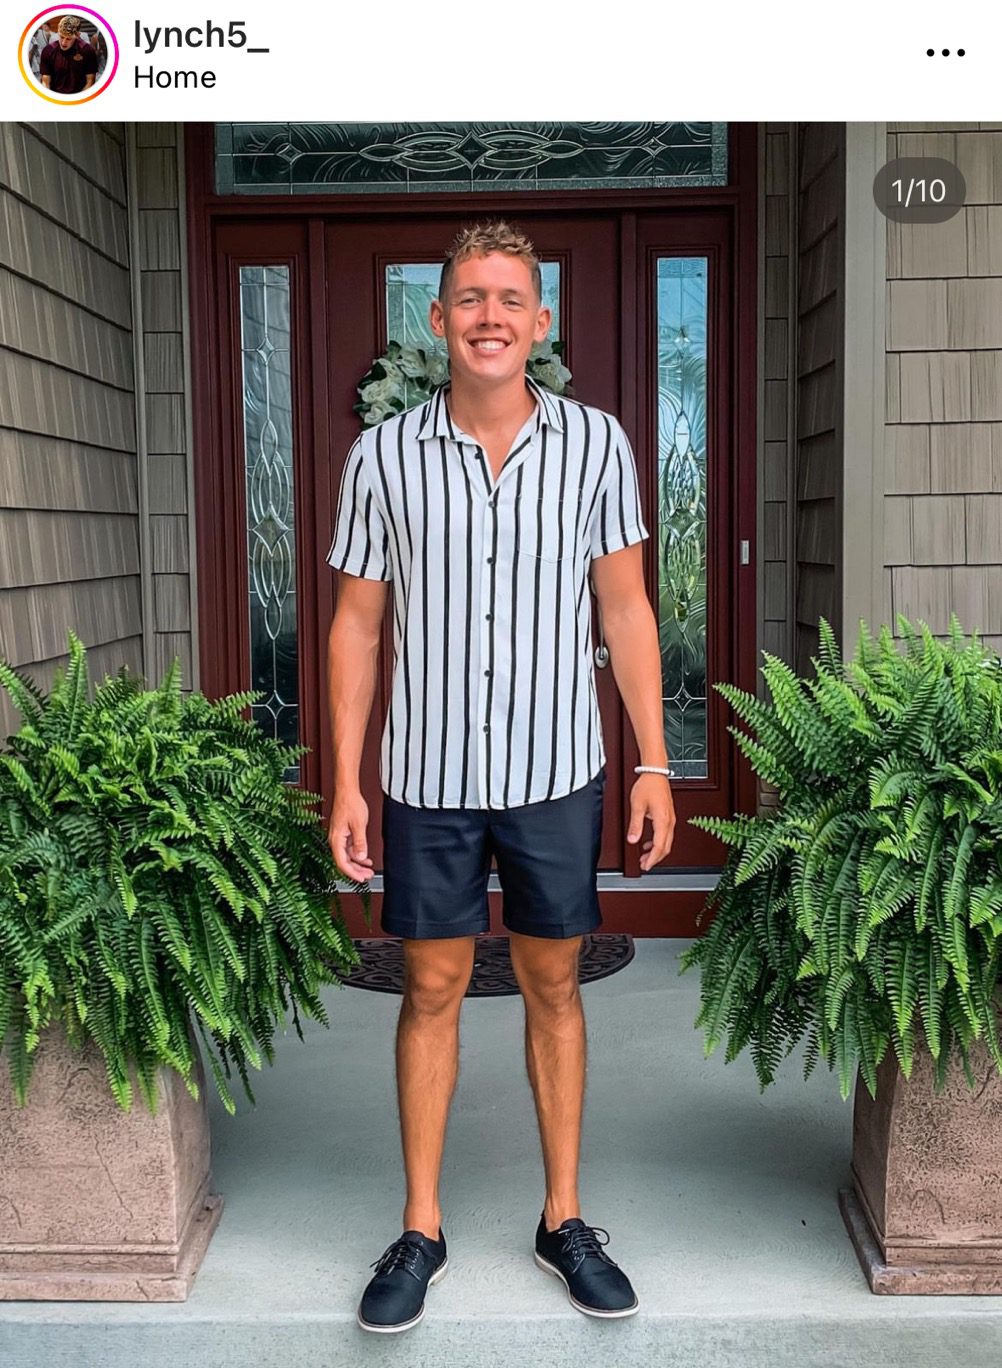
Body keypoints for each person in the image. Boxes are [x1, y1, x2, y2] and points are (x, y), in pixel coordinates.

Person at [326, 219, 676, 1333]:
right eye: (470, 298)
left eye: (510, 298)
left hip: (556, 769)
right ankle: (421, 1226)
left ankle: (562, 1219)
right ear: (438, 320)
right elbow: (355, 625)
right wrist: (347, 782)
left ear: (541, 320)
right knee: (429, 987)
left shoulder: (597, 445)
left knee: (554, 986)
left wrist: (654, 763)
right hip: (427, 774)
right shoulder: (383, 456)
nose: (490, 316)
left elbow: (625, 608)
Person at [38, 16, 97, 96]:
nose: (63, 42)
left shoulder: (87, 50)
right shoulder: (48, 50)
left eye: (68, 39)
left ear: (77, 35)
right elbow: (45, 82)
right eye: (61, 37)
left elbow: (90, 81)